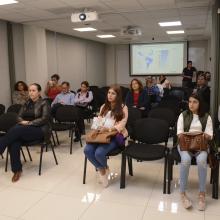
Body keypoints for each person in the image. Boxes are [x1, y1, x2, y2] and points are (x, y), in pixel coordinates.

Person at [0, 83, 50, 182]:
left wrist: (29, 123)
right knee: (14, 141)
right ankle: (17, 170)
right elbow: (18, 116)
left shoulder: (44, 103)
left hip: (39, 130)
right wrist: (21, 121)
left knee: (17, 129)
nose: (31, 92)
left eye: (33, 90)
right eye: (30, 90)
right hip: (23, 130)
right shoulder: (27, 103)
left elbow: (44, 119)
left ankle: (1, 146)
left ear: (38, 92)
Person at [84, 86, 128, 187]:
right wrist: (97, 125)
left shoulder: (123, 107)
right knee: (87, 150)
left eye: (113, 93)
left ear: (118, 96)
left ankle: (102, 171)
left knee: (99, 153)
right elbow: (100, 120)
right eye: (109, 93)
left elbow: (122, 124)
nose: (110, 95)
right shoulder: (103, 106)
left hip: (115, 136)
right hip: (101, 135)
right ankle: (103, 169)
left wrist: (108, 129)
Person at [177, 93, 213, 211]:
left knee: (202, 160)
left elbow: (210, 135)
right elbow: (179, 133)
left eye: (195, 102)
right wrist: (189, 136)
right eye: (190, 101)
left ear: (200, 104)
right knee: (186, 160)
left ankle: (202, 194)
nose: (191, 104)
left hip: (200, 145)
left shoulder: (207, 117)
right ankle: (182, 193)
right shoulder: (183, 115)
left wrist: (205, 136)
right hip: (185, 145)